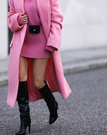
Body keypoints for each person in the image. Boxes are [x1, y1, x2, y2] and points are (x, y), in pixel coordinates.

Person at [7, 0, 72, 134]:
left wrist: (53, 41)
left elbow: (56, 18)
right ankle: (25, 120)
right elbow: (10, 17)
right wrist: (18, 19)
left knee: (38, 82)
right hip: (22, 41)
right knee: (20, 77)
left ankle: (52, 104)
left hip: (42, 42)